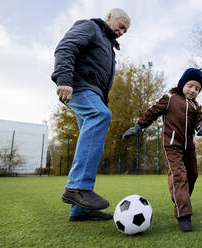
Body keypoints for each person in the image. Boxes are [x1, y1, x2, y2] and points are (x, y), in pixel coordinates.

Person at [51, 8, 131, 221]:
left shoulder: (108, 46)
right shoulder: (90, 27)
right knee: (100, 115)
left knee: (93, 144)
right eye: (120, 25)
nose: (122, 31)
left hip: (92, 92)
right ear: (108, 18)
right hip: (78, 86)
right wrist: (64, 79)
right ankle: (77, 187)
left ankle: (80, 210)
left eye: (125, 30)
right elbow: (66, 47)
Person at [122, 68, 202, 232]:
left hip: (188, 147)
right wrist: (138, 126)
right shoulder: (170, 98)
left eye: (197, 88)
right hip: (171, 146)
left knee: (192, 175)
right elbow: (152, 112)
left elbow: (200, 119)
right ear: (183, 83)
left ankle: (179, 197)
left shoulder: (195, 106)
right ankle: (183, 215)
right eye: (190, 85)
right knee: (179, 176)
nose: (193, 90)